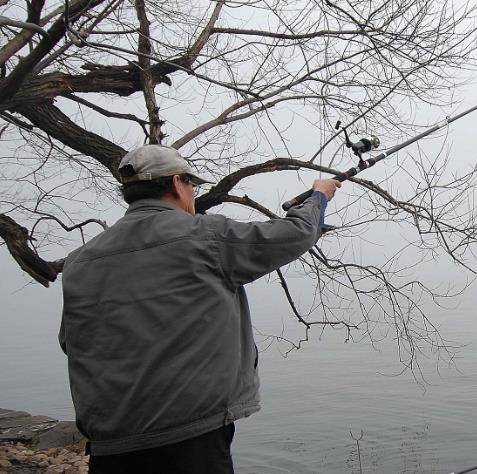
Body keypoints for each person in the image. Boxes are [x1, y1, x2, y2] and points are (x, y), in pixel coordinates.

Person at [58, 144, 340, 473]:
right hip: (190, 440)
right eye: (193, 184)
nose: (194, 192)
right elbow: (294, 234)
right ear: (178, 183)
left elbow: (71, 341)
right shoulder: (202, 236)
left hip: (111, 445)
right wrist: (318, 197)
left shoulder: (80, 261)